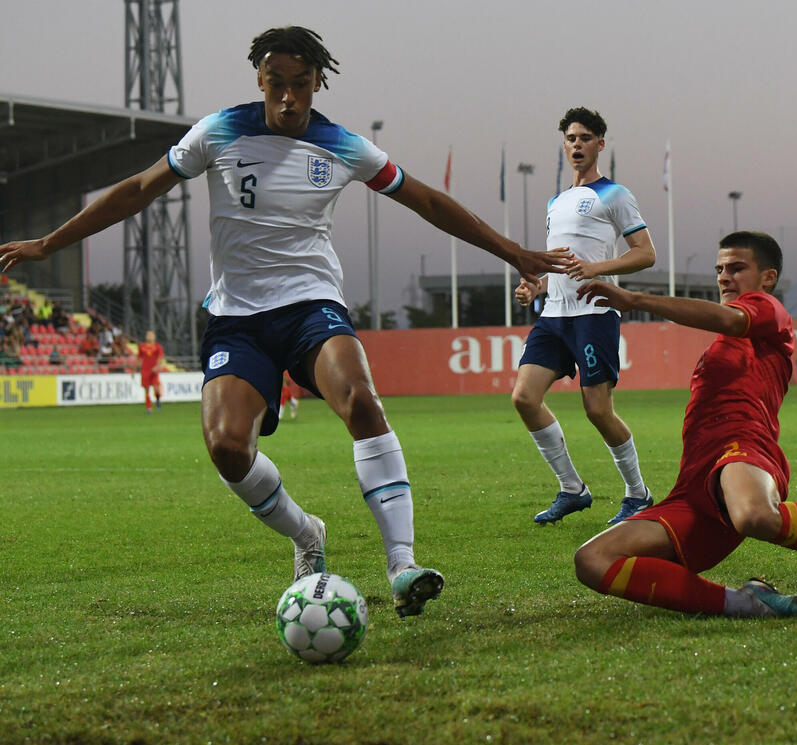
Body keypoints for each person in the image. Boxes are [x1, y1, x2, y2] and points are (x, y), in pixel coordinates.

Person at [0, 26, 566, 620]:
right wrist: (50, 242)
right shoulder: (219, 131)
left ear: (318, 82)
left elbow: (426, 201)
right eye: (277, 85)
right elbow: (139, 190)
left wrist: (513, 252)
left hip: (310, 306)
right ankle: (306, 535)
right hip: (236, 319)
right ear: (260, 83)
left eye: (301, 85)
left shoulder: (343, 146)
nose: (289, 98)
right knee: (225, 446)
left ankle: (402, 565)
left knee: (361, 401)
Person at [572, 231, 797, 618]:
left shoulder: (767, 310)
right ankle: (748, 604)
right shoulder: (724, 344)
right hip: (694, 487)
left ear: (768, 278)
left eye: (736, 268)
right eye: (720, 269)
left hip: (743, 450)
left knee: (754, 514)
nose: (724, 276)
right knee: (592, 559)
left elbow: (729, 318)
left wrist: (634, 299)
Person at [512, 108, 656, 526]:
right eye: (571, 138)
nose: (577, 145)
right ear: (564, 144)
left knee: (597, 410)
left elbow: (646, 253)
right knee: (523, 398)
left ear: (600, 145)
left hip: (594, 313)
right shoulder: (556, 201)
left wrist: (596, 269)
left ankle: (638, 494)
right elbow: (558, 262)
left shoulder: (614, 194)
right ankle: (572, 489)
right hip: (554, 315)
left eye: (586, 138)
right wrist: (535, 285)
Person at [138, 329, 166, 413]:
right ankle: (149, 407)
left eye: (150, 335)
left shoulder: (157, 346)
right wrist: (134, 368)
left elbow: (160, 357)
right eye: (147, 335)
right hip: (145, 370)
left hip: (154, 370)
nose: (149, 336)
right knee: (146, 389)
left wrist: (157, 366)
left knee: (156, 388)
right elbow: (139, 357)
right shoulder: (142, 346)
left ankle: (157, 400)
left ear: (154, 337)